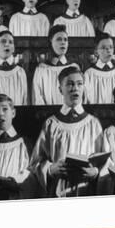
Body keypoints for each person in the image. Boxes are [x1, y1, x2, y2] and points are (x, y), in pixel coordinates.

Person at [30, 67, 104, 197]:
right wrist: (50, 169)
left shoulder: (93, 123)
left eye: (79, 84)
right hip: (59, 189)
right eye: (70, 84)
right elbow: (35, 162)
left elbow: (105, 161)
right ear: (60, 89)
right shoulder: (51, 124)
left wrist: (96, 171)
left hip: (85, 189)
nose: (75, 88)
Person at [32, 25, 79, 105]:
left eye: (65, 40)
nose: (63, 42)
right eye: (59, 39)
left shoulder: (74, 67)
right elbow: (37, 96)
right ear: (51, 42)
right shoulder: (41, 69)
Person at [84, 33, 115, 104]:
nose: (108, 50)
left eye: (111, 47)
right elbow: (85, 99)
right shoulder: (89, 74)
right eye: (104, 48)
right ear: (96, 52)